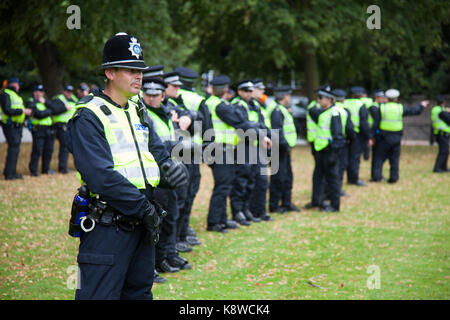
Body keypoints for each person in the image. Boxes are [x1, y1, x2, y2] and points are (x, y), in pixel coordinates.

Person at [66, 32, 188, 300]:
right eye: (131, 70)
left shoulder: (138, 109)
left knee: (139, 294)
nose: (139, 76)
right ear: (110, 73)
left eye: (140, 70)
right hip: (108, 226)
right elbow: (100, 176)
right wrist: (143, 208)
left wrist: (173, 171)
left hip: (142, 223)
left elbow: (157, 154)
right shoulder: (88, 115)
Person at [140, 77, 193, 276]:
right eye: (148, 95)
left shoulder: (165, 114)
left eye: (155, 95)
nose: (151, 99)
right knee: (158, 221)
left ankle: (167, 255)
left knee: (172, 216)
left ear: (163, 96)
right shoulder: (144, 116)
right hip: (155, 175)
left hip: (170, 174)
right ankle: (156, 261)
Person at [204, 75, 271, 232]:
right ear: (225, 89)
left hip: (218, 148)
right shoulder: (220, 105)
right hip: (220, 149)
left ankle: (222, 219)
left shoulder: (211, 102)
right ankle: (214, 222)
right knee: (223, 186)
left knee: (225, 185)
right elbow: (240, 122)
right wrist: (262, 135)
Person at [370, 88, 429, 183]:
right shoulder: (400, 108)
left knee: (379, 158)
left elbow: (375, 124)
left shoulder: (381, 108)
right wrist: (421, 105)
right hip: (396, 137)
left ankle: (376, 177)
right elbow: (414, 111)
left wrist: (371, 136)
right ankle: (393, 178)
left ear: (387, 98)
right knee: (394, 159)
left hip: (383, 137)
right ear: (396, 99)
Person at [230, 80, 263, 224]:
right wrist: (255, 128)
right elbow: (244, 127)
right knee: (241, 180)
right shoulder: (238, 105)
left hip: (253, 145)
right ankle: (237, 211)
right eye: (246, 91)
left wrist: (256, 129)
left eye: (250, 91)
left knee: (251, 178)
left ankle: (246, 208)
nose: (249, 94)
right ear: (239, 92)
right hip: (242, 146)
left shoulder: (254, 105)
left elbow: (261, 124)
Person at [308, 86, 346, 212]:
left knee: (333, 179)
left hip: (329, 151)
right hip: (320, 150)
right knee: (318, 177)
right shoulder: (323, 112)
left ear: (329, 100)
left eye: (320, 98)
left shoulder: (334, 113)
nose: (318, 100)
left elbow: (338, 136)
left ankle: (335, 205)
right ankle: (317, 201)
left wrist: (334, 153)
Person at [266, 85, 299, 213]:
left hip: (284, 149)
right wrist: (285, 144)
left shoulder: (282, 109)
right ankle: (274, 206)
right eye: (289, 96)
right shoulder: (277, 111)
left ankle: (286, 203)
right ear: (284, 96)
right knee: (278, 178)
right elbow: (277, 131)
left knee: (287, 177)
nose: (289, 98)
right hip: (278, 149)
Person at [248, 79, 273, 221]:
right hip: (249, 147)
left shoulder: (259, 105)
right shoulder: (246, 105)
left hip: (261, 146)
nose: (262, 92)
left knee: (263, 180)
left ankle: (260, 210)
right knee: (253, 180)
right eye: (260, 89)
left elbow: (263, 125)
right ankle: (252, 210)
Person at [1, 77, 32, 180]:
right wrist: (22, 111)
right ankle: (9, 174)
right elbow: (7, 110)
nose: (19, 87)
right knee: (13, 149)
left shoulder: (16, 95)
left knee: (15, 149)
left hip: (17, 126)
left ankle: (12, 172)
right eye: (18, 84)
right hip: (10, 125)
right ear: (14, 84)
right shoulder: (6, 94)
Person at [344, 86, 371, 186]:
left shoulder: (345, 103)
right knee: (355, 158)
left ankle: (347, 177)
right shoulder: (361, 105)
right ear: (361, 95)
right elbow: (364, 123)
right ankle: (353, 179)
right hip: (357, 135)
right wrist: (368, 136)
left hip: (346, 134)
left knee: (347, 157)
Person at [27, 84, 55, 176]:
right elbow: (38, 114)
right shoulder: (31, 102)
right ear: (35, 92)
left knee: (48, 150)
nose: (41, 93)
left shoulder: (45, 102)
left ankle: (45, 170)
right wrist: (48, 111)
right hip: (38, 129)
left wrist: (46, 105)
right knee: (37, 150)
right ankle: (33, 171)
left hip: (48, 129)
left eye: (42, 91)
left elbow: (54, 109)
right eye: (39, 91)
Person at [332, 89, 355, 197]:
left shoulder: (329, 109)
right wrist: (352, 139)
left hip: (328, 143)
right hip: (342, 142)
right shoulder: (344, 110)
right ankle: (337, 189)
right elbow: (349, 128)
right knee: (340, 167)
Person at [52, 85, 78, 174]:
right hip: (61, 126)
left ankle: (67, 167)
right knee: (64, 146)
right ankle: (62, 168)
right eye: (67, 91)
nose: (69, 93)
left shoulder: (74, 99)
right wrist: (64, 108)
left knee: (69, 147)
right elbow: (54, 110)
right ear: (64, 91)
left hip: (70, 126)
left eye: (70, 92)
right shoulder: (58, 99)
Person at [431, 95, 449, 172]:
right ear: (443, 102)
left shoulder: (438, 109)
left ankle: (443, 167)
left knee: (445, 151)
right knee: (443, 151)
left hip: (442, 133)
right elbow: (448, 118)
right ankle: (437, 168)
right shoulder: (439, 110)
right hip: (441, 133)